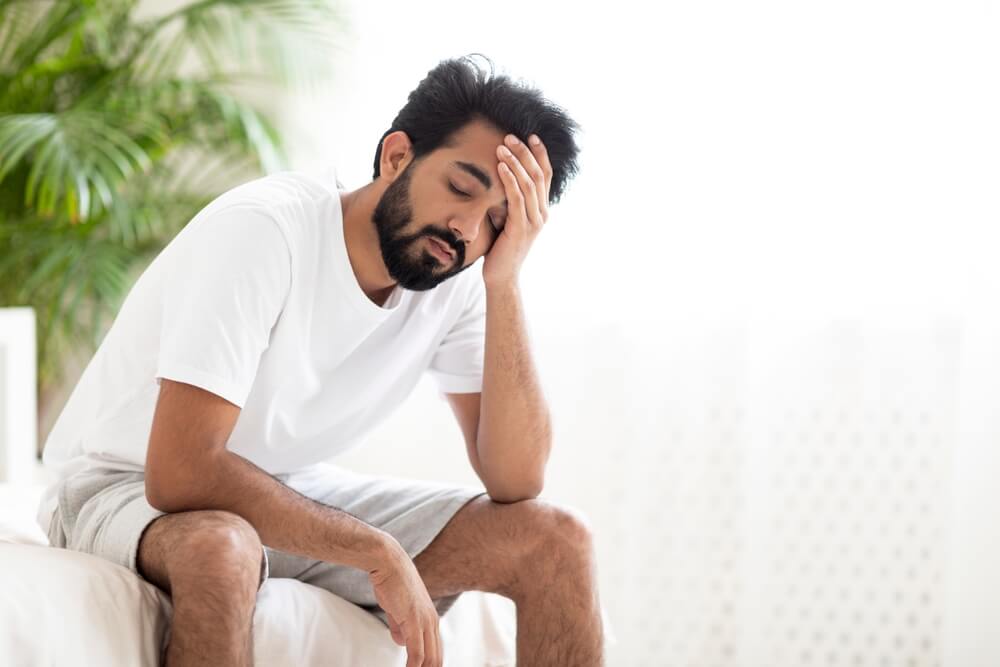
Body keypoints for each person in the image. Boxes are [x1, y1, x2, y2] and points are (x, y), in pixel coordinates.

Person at [36, 54, 604, 667]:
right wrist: (372, 549)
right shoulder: (265, 231)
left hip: (279, 484)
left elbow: (516, 480)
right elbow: (180, 471)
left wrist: (505, 282)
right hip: (123, 486)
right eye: (461, 189)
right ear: (397, 156)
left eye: (497, 220)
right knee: (223, 549)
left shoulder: (459, 280)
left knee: (556, 542)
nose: (466, 228)